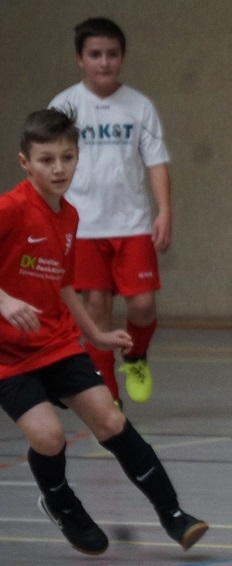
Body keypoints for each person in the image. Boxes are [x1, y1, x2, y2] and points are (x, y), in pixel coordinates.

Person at [0, 109, 207, 556]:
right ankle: (61, 504)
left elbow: (63, 285)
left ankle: (174, 515)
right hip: (7, 356)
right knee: (49, 437)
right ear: (25, 163)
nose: (59, 168)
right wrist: (5, 300)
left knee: (111, 420)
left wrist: (95, 334)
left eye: (67, 158)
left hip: (55, 343)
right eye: (47, 160)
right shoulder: (11, 209)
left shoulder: (69, 216)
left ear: (78, 157)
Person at [48, 17, 172, 407]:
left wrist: (164, 210)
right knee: (96, 308)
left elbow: (155, 162)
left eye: (112, 54)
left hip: (131, 223)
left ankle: (136, 356)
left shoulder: (139, 106)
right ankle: (108, 395)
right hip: (83, 227)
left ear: (122, 57)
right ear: (80, 59)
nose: (104, 62)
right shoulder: (64, 106)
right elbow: (47, 162)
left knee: (143, 305)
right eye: (95, 54)